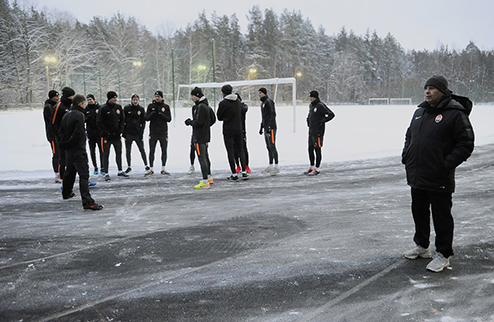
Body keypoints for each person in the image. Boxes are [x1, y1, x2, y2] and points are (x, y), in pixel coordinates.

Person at [401, 75, 474, 272]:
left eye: (432, 88)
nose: (427, 91)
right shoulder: (419, 112)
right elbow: (410, 135)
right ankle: (422, 246)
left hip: (439, 176)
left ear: (442, 91)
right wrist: (405, 155)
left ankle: (443, 254)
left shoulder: (455, 113)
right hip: (418, 174)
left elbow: (466, 143)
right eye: (426, 88)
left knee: (441, 216)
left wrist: (446, 164)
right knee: (419, 212)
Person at [58, 94, 103, 210]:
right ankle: (87, 201)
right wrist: (72, 142)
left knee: (70, 172)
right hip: (78, 149)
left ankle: (66, 192)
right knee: (84, 175)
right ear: (80, 104)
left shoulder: (66, 115)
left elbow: (61, 132)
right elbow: (78, 133)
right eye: (84, 103)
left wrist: (64, 143)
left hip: (69, 150)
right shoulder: (80, 115)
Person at [185, 87, 215, 189]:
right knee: (205, 156)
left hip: (199, 136)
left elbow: (198, 122)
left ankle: (205, 180)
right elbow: (212, 119)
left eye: (193, 96)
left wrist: (189, 122)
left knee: (202, 157)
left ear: (197, 96)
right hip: (204, 135)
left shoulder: (201, 107)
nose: (192, 98)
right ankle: (209, 177)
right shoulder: (206, 106)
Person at [217, 85, 248, 181]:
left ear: (223, 93)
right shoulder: (238, 102)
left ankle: (234, 173)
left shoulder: (223, 103)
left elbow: (219, 117)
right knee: (240, 150)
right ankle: (244, 171)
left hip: (228, 129)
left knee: (230, 151)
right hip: (238, 129)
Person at [97, 91, 128, 181]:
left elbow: (122, 119)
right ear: (109, 98)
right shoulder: (103, 108)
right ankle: (106, 172)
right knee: (106, 154)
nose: (115, 99)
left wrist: (120, 130)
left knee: (119, 152)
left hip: (116, 135)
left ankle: (120, 170)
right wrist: (105, 132)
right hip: (107, 136)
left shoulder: (118, 107)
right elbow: (99, 122)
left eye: (115, 97)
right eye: (113, 98)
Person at [306, 90, 335, 176]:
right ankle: (312, 166)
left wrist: (322, 121)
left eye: (312, 97)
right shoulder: (311, 106)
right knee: (310, 149)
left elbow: (331, 114)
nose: (310, 98)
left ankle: (317, 169)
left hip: (318, 131)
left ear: (315, 97)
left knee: (317, 149)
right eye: (310, 97)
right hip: (311, 131)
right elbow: (310, 115)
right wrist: (308, 120)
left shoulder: (320, 105)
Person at [51, 86, 75, 181]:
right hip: (61, 137)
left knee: (72, 157)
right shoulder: (58, 107)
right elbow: (53, 123)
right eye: (71, 96)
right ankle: (61, 178)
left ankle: (70, 177)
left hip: (69, 136)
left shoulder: (70, 106)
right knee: (62, 158)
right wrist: (59, 136)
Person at [144, 90, 172, 176]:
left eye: (158, 96)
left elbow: (169, 119)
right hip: (153, 132)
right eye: (156, 96)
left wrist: (161, 114)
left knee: (164, 150)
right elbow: (146, 118)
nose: (157, 98)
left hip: (163, 132)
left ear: (161, 97)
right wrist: (152, 114)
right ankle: (151, 169)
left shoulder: (165, 107)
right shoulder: (150, 106)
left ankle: (163, 168)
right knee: (152, 150)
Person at [123, 94, 150, 175]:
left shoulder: (141, 109)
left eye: (136, 100)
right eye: (134, 100)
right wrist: (124, 133)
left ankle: (146, 165)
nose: (135, 101)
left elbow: (143, 122)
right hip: (129, 133)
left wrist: (141, 132)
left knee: (142, 149)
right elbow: (123, 120)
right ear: (131, 100)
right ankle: (129, 166)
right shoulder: (127, 108)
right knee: (128, 150)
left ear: (138, 100)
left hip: (138, 134)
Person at [258, 87, 279, 175]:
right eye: (259, 93)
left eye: (260, 93)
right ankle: (270, 165)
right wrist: (262, 126)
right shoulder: (262, 104)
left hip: (271, 128)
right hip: (266, 128)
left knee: (272, 146)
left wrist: (270, 126)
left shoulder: (269, 102)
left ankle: (276, 166)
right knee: (268, 146)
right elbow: (264, 117)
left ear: (264, 93)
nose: (259, 95)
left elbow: (272, 114)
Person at [43, 90, 60, 182]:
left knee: (60, 153)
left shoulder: (56, 106)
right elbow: (52, 121)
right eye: (55, 97)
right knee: (56, 153)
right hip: (52, 135)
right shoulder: (48, 107)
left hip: (57, 134)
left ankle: (60, 172)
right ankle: (56, 173)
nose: (57, 98)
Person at [85, 94, 103, 175]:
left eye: (91, 99)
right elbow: (84, 119)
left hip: (99, 133)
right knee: (92, 151)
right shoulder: (86, 109)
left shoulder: (99, 107)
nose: (89, 101)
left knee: (101, 150)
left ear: (94, 99)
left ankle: (103, 167)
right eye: (88, 100)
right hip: (91, 133)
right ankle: (95, 166)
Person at [234, 93, 251, 174]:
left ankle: (246, 165)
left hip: (242, 130)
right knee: (234, 150)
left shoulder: (242, 107)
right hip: (233, 130)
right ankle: (238, 165)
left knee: (243, 148)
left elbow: (244, 109)